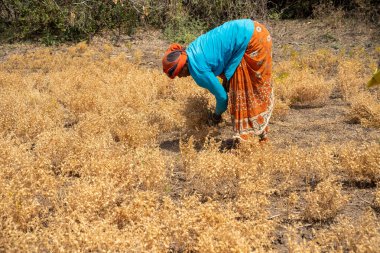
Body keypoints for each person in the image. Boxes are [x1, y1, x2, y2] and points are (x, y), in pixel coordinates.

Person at [162, 19, 273, 143]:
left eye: (179, 73)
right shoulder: (192, 50)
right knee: (248, 88)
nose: (180, 77)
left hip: (251, 41)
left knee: (242, 94)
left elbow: (222, 98)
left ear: (184, 66)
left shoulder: (198, 70)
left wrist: (215, 116)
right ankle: (262, 136)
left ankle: (244, 141)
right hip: (257, 30)